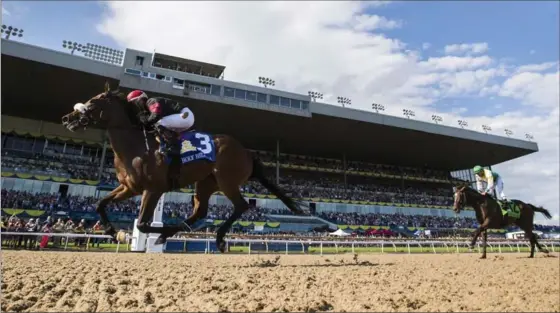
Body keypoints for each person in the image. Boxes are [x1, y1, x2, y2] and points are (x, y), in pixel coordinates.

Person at [126, 90, 195, 156]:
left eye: (135, 102)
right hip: (181, 120)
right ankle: (174, 145)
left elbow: (155, 115)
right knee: (157, 128)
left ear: (141, 99)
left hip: (184, 115)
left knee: (159, 123)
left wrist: (144, 122)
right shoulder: (147, 110)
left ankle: (173, 147)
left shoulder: (151, 101)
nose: (135, 105)